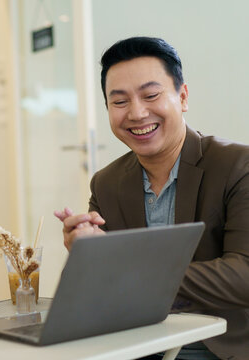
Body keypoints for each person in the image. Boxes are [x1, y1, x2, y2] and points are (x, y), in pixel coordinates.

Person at [55, 37, 249, 359]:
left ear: (182, 97)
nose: (137, 112)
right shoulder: (106, 183)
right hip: (136, 349)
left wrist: (126, 265)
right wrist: (85, 255)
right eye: (119, 102)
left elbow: (243, 275)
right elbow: (95, 294)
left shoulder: (237, 166)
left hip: (219, 350)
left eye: (151, 95)